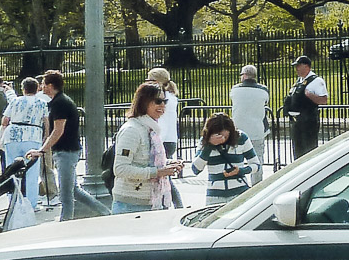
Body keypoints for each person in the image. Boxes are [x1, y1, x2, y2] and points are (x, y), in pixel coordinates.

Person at [26, 70, 108, 221]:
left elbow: (58, 130)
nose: (41, 87)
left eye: (43, 84)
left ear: (50, 86)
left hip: (66, 151)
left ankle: (66, 221)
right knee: (73, 190)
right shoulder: (59, 101)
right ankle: (105, 212)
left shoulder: (60, 103)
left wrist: (42, 150)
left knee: (65, 192)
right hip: (66, 151)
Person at [111, 82, 185, 214]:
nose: (162, 105)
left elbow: (147, 161)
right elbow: (120, 169)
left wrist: (167, 164)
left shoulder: (152, 129)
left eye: (164, 101)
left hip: (154, 203)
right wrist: (157, 172)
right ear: (144, 102)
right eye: (158, 101)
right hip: (130, 205)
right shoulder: (132, 130)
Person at [0, 76, 48, 209]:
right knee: (32, 171)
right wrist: (46, 137)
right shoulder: (41, 103)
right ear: (37, 88)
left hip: (13, 135)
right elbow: (46, 121)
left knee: (11, 168)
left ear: (23, 89)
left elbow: (5, 120)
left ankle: (13, 201)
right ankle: (31, 203)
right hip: (33, 135)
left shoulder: (15, 101)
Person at [190, 113, 261, 204]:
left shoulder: (241, 138)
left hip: (239, 192)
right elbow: (195, 169)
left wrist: (240, 171)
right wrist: (209, 146)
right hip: (215, 195)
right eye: (218, 135)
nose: (222, 139)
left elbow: (256, 165)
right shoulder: (204, 141)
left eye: (226, 137)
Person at [146, 68, 184, 208]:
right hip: (170, 139)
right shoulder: (171, 97)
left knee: (163, 175)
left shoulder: (162, 98)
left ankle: (174, 203)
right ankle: (172, 203)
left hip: (163, 139)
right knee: (164, 175)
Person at [284, 56, 329, 160]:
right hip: (297, 122)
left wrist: (310, 96)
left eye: (299, 66)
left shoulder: (316, 81)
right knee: (298, 151)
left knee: (309, 150)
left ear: (307, 66)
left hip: (308, 121)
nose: (297, 69)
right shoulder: (299, 81)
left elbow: (324, 100)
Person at [230, 65, 272, 157]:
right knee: (258, 156)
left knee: (237, 156)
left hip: (238, 129)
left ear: (244, 75)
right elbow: (266, 102)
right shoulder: (263, 90)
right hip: (257, 129)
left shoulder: (235, 89)